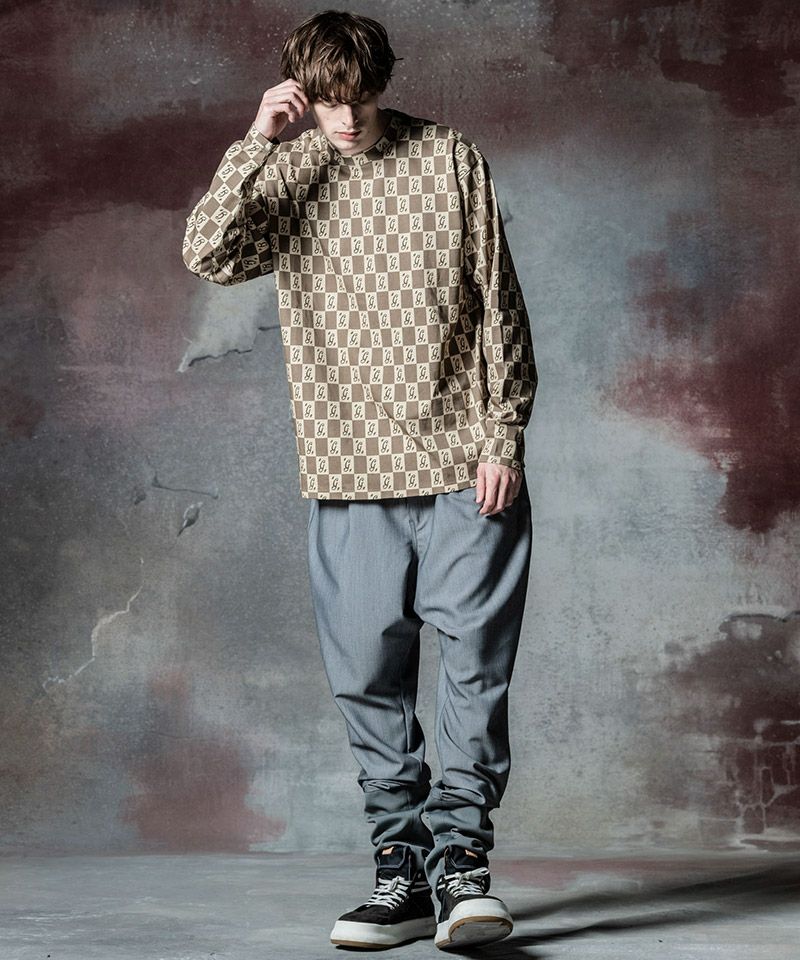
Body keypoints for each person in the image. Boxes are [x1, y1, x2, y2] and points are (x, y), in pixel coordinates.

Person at [182, 9, 537, 951]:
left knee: (474, 672)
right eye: (328, 101)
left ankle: (463, 869)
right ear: (303, 93)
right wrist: (256, 142)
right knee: (368, 681)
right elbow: (208, 254)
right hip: (347, 470)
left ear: (382, 84)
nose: (346, 119)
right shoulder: (290, 171)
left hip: (464, 465)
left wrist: (502, 436)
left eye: (361, 99)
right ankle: (401, 872)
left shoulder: (448, 158)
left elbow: (497, 301)